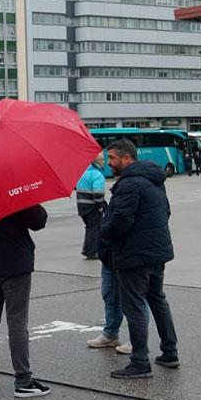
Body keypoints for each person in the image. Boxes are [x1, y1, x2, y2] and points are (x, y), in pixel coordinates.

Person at [99, 140, 179, 379]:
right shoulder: (154, 180)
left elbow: (121, 221)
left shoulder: (129, 184)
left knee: (133, 306)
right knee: (157, 300)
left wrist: (103, 231)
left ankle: (140, 361)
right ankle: (170, 351)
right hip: (157, 251)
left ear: (126, 158)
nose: (109, 164)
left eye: (113, 158)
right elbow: (165, 211)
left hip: (134, 255)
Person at [0, 202, 50, 398]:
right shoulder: (15, 192)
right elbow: (39, 221)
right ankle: (22, 379)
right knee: (17, 323)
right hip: (15, 264)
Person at [75, 156, 106, 260]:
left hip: (82, 206)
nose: (104, 161)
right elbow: (98, 193)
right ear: (97, 162)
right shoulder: (97, 174)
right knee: (94, 228)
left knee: (90, 227)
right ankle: (90, 251)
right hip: (92, 206)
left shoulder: (83, 172)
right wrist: (100, 206)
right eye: (102, 159)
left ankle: (89, 250)